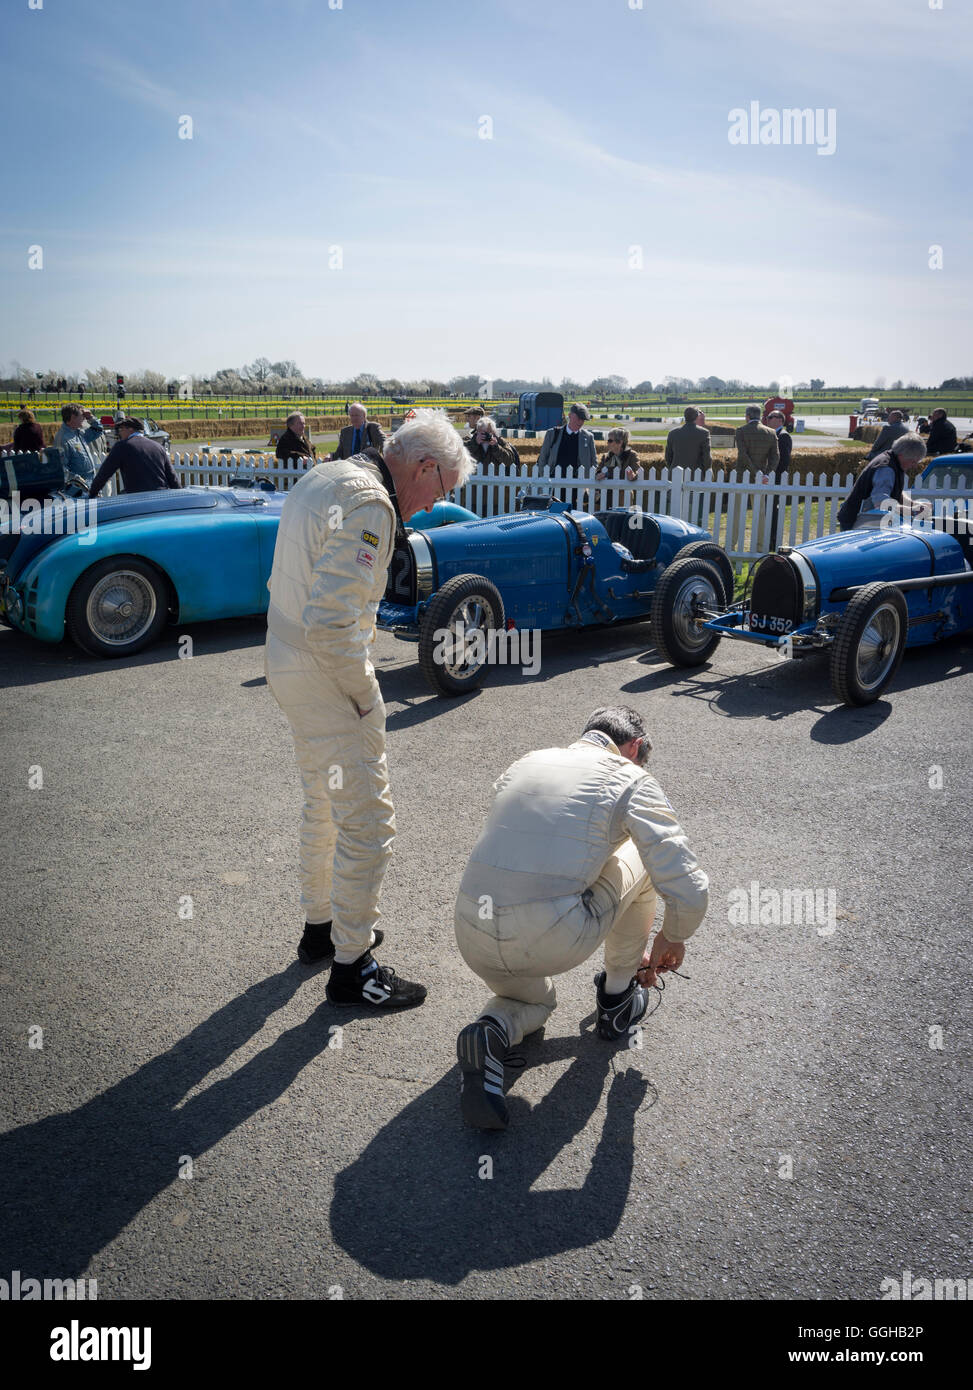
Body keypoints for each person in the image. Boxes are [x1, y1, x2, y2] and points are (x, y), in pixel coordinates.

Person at [264, 410, 474, 1009]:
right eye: (442, 490)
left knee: (322, 804)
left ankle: (322, 930)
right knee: (370, 826)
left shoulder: (326, 474)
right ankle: (353, 967)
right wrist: (365, 697)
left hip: (286, 660)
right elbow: (332, 626)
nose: (435, 505)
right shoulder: (373, 507)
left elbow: (291, 587)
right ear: (425, 467)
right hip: (326, 675)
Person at [454, 706, 708, 1129]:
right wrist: (673, 935)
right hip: (548, 935)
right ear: (636, 747)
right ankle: (617, 999)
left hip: (471, 931)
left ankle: (490, 1032)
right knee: (644, 861)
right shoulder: (630, 778)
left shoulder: (527, 761)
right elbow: (689, 885)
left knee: (533, 1001)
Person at [836, 433, 926, 530]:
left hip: (865, 521)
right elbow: (882, 503)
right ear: (901, 455)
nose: (915, 466)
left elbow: (894, 493)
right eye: (913, 461)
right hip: (855, 522)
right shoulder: (886, 469)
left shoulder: (894, 462)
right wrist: (912, 511)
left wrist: (914, 504)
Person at [88, 418, 181, 498]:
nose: (119, 432)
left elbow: (105, 473)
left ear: (131, 429)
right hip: (161, 495)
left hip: (137, 497)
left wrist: (92, 494)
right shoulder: (158, 446)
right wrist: (179, 495)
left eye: (121, 429)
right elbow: (172, 477)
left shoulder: (122, 446)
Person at [537, 402, 598, 509]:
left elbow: (594, 462)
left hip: (577, 484)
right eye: (579, 418)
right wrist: (544, 477)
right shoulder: (552, 433)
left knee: (573, 512)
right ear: (569, 415)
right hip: (554, 482)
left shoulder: (588, 437)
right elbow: (543, 458)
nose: (581, 421)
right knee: (554, 511)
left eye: (583, 419)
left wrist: (590, 479)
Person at [52, 404, 105, 485]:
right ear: (73, 417)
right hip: (78, 488)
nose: (84, 418)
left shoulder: (79, 432)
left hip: (89, 483)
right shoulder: (62, 439)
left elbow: (98, 430)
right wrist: (78, 482)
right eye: (82, 415)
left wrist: (90, 417)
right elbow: (62, 469)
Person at [734, 404, 779, 479]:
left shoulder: (741, 430)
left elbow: (742, 454)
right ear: (760, 416)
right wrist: (767, 474)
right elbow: (775, 456)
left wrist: (756, 472)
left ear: (748, 416)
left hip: (743, 474)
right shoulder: (771, 432)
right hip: (763, 474)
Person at [664, 406, 711, 472]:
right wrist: (706, 471)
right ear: (697, 417)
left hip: (675, 474)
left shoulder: (672, 433)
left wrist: (672, 468)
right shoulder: (704, 433)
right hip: (696, 475)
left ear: (685, 417)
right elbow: (707, 458)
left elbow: (668, 457)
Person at [766, 409, 792, 478]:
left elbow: (784, 460)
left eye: (771, 417)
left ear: (780, 420)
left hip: (777, 477)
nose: (768, 419)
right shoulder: (773, 434)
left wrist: (771, 475)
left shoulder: (783, 436)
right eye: (768, 417)